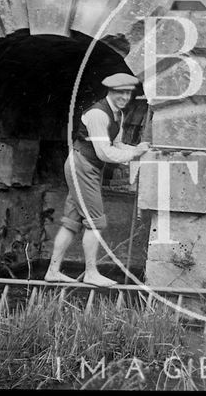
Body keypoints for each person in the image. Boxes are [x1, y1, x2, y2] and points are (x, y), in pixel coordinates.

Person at [44, 73, 150, 287]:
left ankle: (52, 271)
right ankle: (91, 273)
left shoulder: (117, 114)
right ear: (110, 91)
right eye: (120, 92)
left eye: (128, 92)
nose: (124, 97)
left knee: (72, 221)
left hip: (87, 166)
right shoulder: (97, 115)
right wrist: (133, 155)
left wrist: (137, 149)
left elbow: (116, 144)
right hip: (83, 165)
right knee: (96, 222)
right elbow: (104, 153)